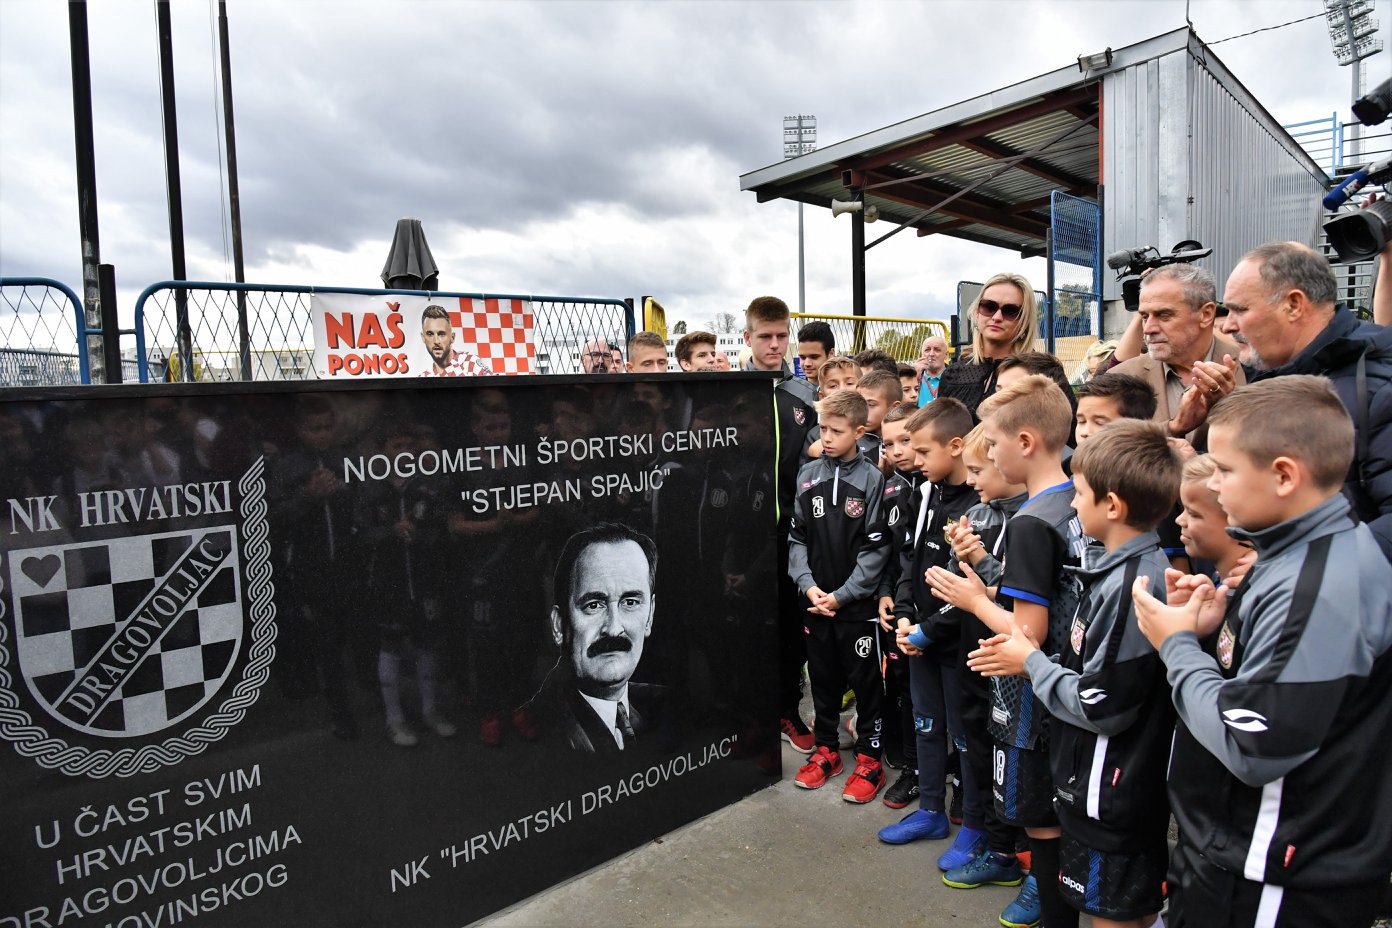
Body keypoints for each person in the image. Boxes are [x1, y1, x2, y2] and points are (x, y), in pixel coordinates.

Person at [1132, 376, 1392, 928]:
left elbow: (1253, 746)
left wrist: (1178, 646)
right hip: (1238, 856)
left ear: (1284, 475)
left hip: (1272, 872)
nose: (1214, 484)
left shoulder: (1318, 583)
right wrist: (1207, 631)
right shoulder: (1290, 551)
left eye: (1225, 470)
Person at [970, 420, 1181, 928]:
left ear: (1113, 506)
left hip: (1113, 793)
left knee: (1115, 913)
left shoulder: (1134, 585)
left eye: (1080, 494)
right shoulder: (1115, 571)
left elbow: (1102, 705)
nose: (1072, 504)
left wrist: (1030, 663)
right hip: (1099, 787)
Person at [926, 373, 1088, 928]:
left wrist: (974, 601)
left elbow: (1028, 634)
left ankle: (1051, 908)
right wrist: (990, 581)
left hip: (1037, 699)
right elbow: (1050, 593)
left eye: (992, 443)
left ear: (1025, 442)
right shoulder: (1073, 499)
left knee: (1042, 820)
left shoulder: (1031, 521)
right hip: (1069, 686)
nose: (988, 455)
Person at [1218, 241, 1392, 560]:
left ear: (1294, 305)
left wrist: (1300, 565)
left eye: (1239, 309)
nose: (1228, 325)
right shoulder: (1272, 376)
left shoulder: (1378, 386)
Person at [933, 425, 1029, 905]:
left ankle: (1017, 853)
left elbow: (1013, 596)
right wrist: (962, 559)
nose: (970, 480)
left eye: (978, 469)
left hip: (1013, 666)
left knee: (1014, 760)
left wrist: (982, 563)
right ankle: (994, 844)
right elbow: (964, 587)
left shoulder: (1033, 521)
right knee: (979, 749)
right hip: (974, 656)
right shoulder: (978, 513)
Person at [881, 399, 981, 853]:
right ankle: (931, 812)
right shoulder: (923, 494)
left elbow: (974, 589)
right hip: (918, 637)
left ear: (955, 446)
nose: (914, 460)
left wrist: (928, 631)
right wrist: (905, 617)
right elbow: (909, 561)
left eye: (922, 451)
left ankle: (976, 824)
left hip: (958, 645)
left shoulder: (979, 503)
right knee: (926, 725)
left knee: (966, 734)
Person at [787, 389, 890, 801]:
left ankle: (869, 758)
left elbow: (876, 549)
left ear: (859, 432)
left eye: (836, 431)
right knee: (822, 679)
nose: (826, 438)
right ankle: (826, 749)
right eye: (822, 429)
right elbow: (797, 539)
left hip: (856, 608)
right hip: (815, 604)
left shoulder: (873, 480)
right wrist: (808, 585)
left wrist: (844, 595)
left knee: (866, 683)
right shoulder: (807, 475)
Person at [742, 296, 821, 753]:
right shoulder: (729, 392)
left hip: (791, 533)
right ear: (748, 337)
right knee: (747, 628)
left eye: (781, 335)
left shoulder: (804, 395)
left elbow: (817, 457)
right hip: (740, 533)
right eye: (765, 336)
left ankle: (788, 710)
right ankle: (751, 714)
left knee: (792, 628)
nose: (775, 344)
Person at [548, 522, 663, 753]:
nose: (613, 628)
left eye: (630, 602)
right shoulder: (547, 735)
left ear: (650, 615)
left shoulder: (664, 707)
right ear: (559, 625)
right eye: (594, 605)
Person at [1109, 264, 1244, 447]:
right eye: (1145, 317)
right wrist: (1173, 428)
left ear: (1206, 314)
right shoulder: (1122, 377)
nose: (1148, 329)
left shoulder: (1251, 368)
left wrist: (1230, 406)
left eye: (1163, 315)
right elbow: (1105, 452)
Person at [875, 403, 923, 791]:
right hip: (897, 606)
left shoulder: (935, 489)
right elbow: (886, 552)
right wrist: (884, 593)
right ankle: (911, 765)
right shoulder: (889, 487)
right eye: (889, 444)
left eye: (905, 440)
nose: (897, 451)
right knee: (903, 688)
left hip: (934, 608)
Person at [941, 273, 1040, 418]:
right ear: (977, 311)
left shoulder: (1041, 374)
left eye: (1010, 311)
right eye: (989, 307)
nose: (997, 317)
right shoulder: (953, 375)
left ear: (1025, 320)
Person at [420, 304, 494, 377]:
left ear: (452, 337)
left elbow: (494, 384)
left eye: (441, 334)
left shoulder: (471, 365)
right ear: (423, 338)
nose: (436, 341)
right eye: (430, 334)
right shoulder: (424, 378)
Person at [797, 321, 835, 387]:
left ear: (831, 354)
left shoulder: (847, 390)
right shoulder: (792, 390)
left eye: (814, 357)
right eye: (803, 357)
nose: (807, 364)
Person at [915, 334, 949, 407]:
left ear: (946, 355)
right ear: (922, 355)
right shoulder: (914, 376)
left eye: (937, 350)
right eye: (927, 350)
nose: (931, 354)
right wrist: (914, 377)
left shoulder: (955, 377)